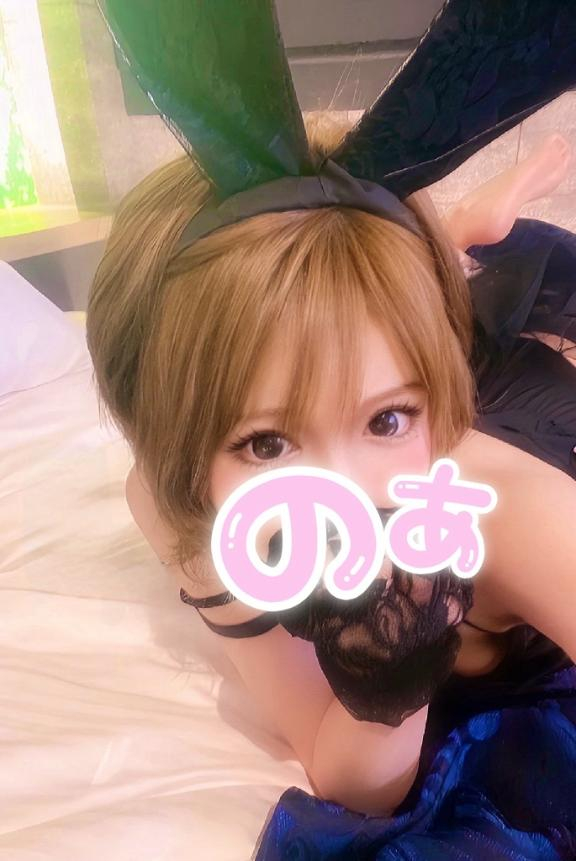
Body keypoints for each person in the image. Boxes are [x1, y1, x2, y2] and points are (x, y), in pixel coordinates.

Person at [88, 0, 576, 856]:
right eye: (266, 442)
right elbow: (343, 773)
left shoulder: (512, 514)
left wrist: (418, 628)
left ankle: (467, 244)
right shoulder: (172, 497)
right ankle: (453, 249)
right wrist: (386, 686)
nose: (342, 495)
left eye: (385, 418)